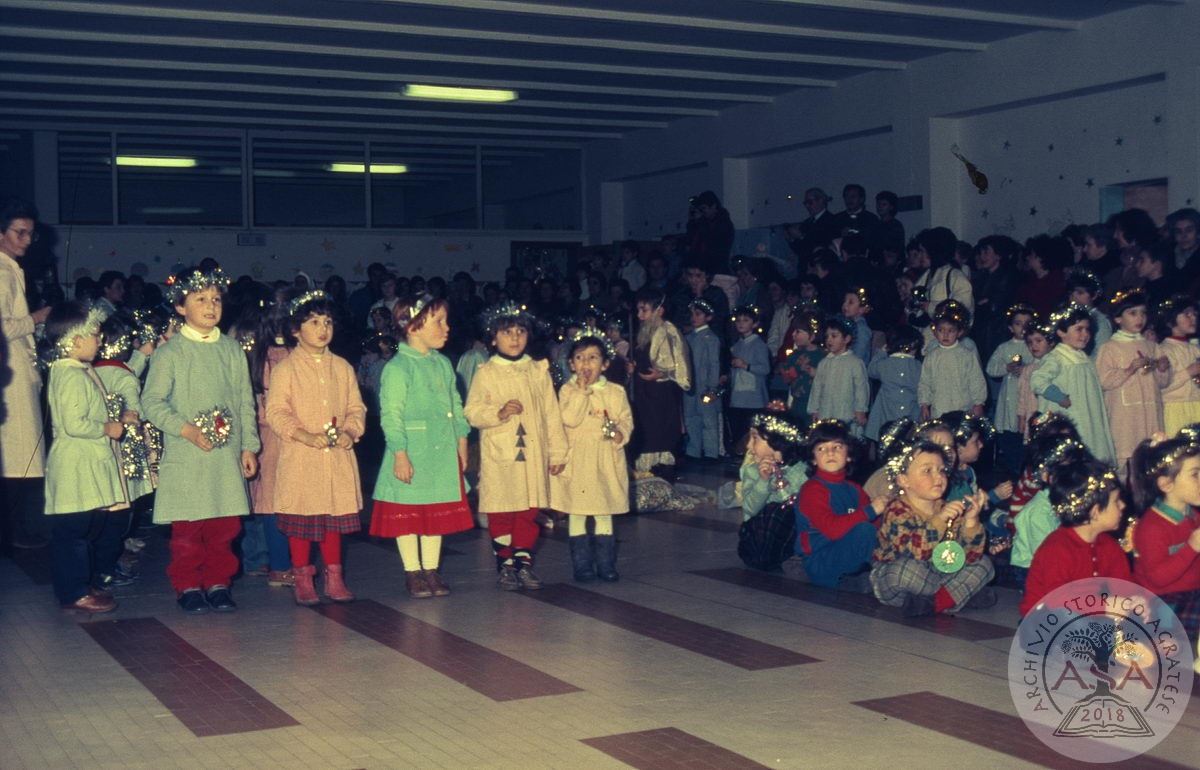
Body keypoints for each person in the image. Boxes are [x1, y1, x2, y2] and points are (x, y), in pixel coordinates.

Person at [142, 267, 260, 615]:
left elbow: (244, 401)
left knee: (224, 526)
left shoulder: (231, 350)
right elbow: (151, 403)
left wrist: (248, 444)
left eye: (216, 299)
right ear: (180, 307)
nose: (211, 306)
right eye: (200, 299)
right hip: (187, 455)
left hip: (225, 457)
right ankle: (188, 584)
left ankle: (219, 582)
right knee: (189, 529)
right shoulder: (170, 353)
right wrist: (187, 429)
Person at [265, 291, 367, 606]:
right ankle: (302, 577)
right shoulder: (286, 369)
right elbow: (276, 412)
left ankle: (334, 576)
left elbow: (356, 407)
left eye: (327, 322)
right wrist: (303, 435)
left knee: (333, 518)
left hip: (336, 457)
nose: (323, 329)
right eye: (313, 322)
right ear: (295, 330)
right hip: (301, 457)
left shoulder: (342, 367)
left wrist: (351, 431)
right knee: (303, 520)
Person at [465, 302, 567, 591]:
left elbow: (551, 414)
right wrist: (498, 413)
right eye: (507, 332)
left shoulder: (537, 370)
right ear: (493, 338)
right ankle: (505, 562)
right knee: (502, 508)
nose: (514, 338)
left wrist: (557, 451)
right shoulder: (487, 372)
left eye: (520, 331)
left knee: (527, 509)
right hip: (501, 455)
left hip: (533, 454)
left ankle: (523, 562)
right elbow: (472, 411)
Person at [41, 303, 128, 613]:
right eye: (94, 334)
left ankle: (79, 583)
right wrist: (107, 427)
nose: (100, 340)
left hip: (85, 461)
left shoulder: (78, 371)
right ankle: (73, 591)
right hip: (74, 463)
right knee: (73, 532)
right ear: (74, 340)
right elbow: (74, 424)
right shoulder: (70, 376)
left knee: (83, 528)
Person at [870, 439, 995, 616]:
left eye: (942, 470)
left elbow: (970, 555)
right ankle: (957, 594)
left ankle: (934, 603)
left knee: (984, 565)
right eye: (927, 471)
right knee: (903, 571)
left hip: (937, 575)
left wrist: (971, 521)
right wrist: (940, 519)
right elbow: (914, 552)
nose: (938, 477)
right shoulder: (897, 509)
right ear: (904, 480)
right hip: (903, 579)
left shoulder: (948, 508)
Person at [552, 330, 633, 583]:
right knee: (577, 510)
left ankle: (606, 563)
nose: (586, 364)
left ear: (605, 363)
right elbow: (568, 419)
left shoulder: (616, 391)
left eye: (593, 358)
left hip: (604, 457)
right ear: (571, 364)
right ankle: (582, 565)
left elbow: (625, 420)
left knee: (603, 508)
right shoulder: (567, 390)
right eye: (580, 358)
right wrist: (582, 392)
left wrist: (619, 433)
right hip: (578, 458)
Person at [92, 311, 157, 588]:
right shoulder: (125, 377)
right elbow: (136, 410)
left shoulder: (92, 371)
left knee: (102, 513)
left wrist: (141, 356)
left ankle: (100, 565)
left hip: (99, 452)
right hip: (125, 455)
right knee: (120, 516)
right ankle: (106, 567)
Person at [0, 197, 51, 551]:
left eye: (30, 234)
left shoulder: (11, 269)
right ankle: (17, 533)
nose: (27, 240)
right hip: (12, 376)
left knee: (23, 459)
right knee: (21, 462)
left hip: (20, 370)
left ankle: (17, 533)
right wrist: (36, 319)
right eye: (20, 232)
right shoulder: (2, 272)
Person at [1019, 458, 1129, 616]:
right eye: (1117, 501)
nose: (1123, 505)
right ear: (1095, 512)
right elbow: (1058, 599)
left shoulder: (1109, 546)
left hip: (1088, 615)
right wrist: (1104, 606)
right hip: (1045, 622)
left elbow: (1123, 585)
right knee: (1066, 615)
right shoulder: (1057, 548)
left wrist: (1133, 601)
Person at [794, 419, 883, 590]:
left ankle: (866, 575)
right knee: (863, 530)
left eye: (837, 447)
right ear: (813, 459)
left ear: (848, 455)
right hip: (821, 560)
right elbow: (831, 528)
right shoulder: (812, 489)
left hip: (846, 554)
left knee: (874, 531)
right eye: (822, 449)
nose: (830, 453)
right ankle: (861, 577)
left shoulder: (855, 490)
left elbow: (874, 524)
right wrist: (871, 511)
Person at [1130, 436, 1200, 640]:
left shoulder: (1192, 513)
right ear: (1166, 484)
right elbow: (1158, 578)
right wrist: (1191, 548)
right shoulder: (1151, 527)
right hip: (1162, 600)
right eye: (1195, 475)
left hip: (1192, 591)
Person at [246, 300, 294, 588]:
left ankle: (291, 562)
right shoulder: (260, 358)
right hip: (274, 439)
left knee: (290, 503)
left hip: (292, 439)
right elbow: (260, 407)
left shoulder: (297, 354)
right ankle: (279, 565)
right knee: (273, 504)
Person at [1031, 304, 1116, 463]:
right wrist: (1058, 396)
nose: (1085, 334)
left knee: (1092, 449)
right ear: (1061, 332)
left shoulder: (1084, 358)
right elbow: (1037, 380)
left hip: (1088, 417)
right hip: (1071, 416)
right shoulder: (1056, 357)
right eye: (1079, 329)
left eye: (1087, 329)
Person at [1095, 290, 1167, 475]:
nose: (1139, 318)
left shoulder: (1151, 345)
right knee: (1125, 463)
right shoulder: (1110, 347)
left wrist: (1162, 368)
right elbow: (1103, 381)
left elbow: (1162, 383)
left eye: (1143, 313)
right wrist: (1129, 369)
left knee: (1150, 461)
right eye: (1132, 313)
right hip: (1125, 417)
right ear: (1118, 319)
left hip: (1150, 412)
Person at [1010, 438, 1090, 582]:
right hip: (1032, 568)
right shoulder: (1039, 513)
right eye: (1067, 473)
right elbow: (1046, 558)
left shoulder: (1063, 500)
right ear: (1047, 476)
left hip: (1056, 558)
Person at [629, 287, 690, 472]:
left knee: (658, 432)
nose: (640, 315)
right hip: (644, 392)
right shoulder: (645, 331)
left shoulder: (669, 332)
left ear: (659, 310)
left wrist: (663, 374)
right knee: (645, 429)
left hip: (660, 393)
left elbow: (679, 365)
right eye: (638, 310)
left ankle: (660, 471)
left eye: (644, 310)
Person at [985, 303, 1034, 472]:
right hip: (1009, 398)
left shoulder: (1034, 345)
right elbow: (991, 368)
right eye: (1018, 323)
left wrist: (1026, 370)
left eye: (1027, 324)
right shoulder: (1004, 347)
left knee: (1026, 437)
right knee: (1009, 436)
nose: (1023, 328)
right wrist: (1006, 368)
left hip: (1028, 398)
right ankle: (1014, 469)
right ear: (1011, 327)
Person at [917, 302, 986, 420]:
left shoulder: (966, 355)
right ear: (934, 331)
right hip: (939, 408)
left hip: (963, 407)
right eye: (941, 330)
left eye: (951, 331)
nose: (945, 334)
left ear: (959, 332)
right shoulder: (931, 356)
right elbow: (925, 382)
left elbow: (976, 380)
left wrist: (979, 403)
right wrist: (924, 404)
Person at [740, 410, 809, 523]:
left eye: (755, 438)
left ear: (775, 440)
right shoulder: (752, 470)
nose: (748, 445)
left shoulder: (802, 472)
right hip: (761, 534)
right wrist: (763, 481)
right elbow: (750, 509)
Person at [808, 316, 868, 435]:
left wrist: (860, 409)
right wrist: (814, 409)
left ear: (847, 339)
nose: (829, 340)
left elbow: (861, 388)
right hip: (826, 413)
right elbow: (817, 388)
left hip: (846, 414)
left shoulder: (855, 362)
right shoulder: (824, 363)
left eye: (834, 336)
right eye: (827, 336)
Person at [865, 325, 922, 442]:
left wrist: (881, 352)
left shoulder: (885, 364)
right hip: (910, 414)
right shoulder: (918, 366)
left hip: (886, 415)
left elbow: (871, 371)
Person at [683, 299, 723, 461]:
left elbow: (714, 364)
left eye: (698, 314)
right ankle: (693, 450)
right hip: (690, 386)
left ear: (708, 317)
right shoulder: (689, 337)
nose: (694, 317)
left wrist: (712, 387)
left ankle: (711, 453)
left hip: (705, 387)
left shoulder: (710, 338)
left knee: (708, 419)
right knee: (691, 417)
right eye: (692, 314)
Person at [1154, 296, 1200, 434]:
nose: (1193, 318)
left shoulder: (1195, 348)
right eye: (1186, 314)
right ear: (1170, 321)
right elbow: (1161, 387)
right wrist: (1189, 372)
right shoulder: (1163, 349)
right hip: (1174, 408)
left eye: (1194, 314)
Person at [727, 304, 770, 448]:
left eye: (745, 320)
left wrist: (746, 366)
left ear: (755, 323)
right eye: (738, 320)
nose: (740, 323)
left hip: (753, 398)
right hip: (738, 394)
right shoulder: (737, 344)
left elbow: (765, 369)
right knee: (738, 429)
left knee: (751, 431)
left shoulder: (759, 344)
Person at [778, 311, 825, 425]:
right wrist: (787, 373)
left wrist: (816, 373)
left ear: (812, 335)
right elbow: (787, 380)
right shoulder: (793, 356)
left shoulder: (823, 357)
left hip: (815, 405)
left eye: (798, 332)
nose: (793, 334)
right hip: (797, 403)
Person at [1064, 268, 1111, 355]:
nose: (1074, 297)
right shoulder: (1067, 316)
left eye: (1080, 293)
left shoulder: (1100, 320)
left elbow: (1101, 353)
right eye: (1071, 293)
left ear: (1094, 295)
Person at [841, 286, 873, 364]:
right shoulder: (844, 325)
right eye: (844, 301)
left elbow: (857, 357)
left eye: (850, 302)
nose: (845, 305)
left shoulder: (861, 329)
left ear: (863, 309)